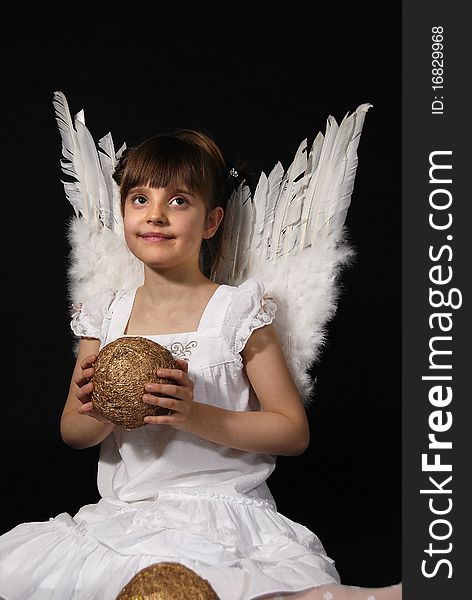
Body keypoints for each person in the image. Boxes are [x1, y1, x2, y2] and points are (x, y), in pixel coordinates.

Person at [0, 129, 401, 599]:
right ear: (123, 212)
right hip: (128, 514)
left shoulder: (237, 313)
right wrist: (103, 409)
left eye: (178, 202)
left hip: (224, 513)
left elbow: (293, 432)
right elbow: (72, 431)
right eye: (139, 199)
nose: (155, 214)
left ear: (211, 222)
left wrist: (194, 415)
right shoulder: (105, 316)